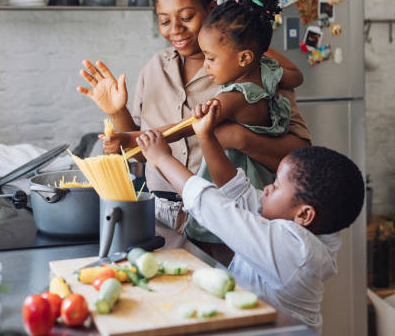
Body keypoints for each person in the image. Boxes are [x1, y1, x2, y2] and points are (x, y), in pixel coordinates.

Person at [77, 0, 311, 257]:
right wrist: (116, 111)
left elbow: (300, 155)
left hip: (227, 224)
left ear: (211, 9)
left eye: (187, 17)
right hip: (159, 222)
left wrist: (238, 138)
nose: (174, 29)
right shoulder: (155, 68)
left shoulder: (250, 69)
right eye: (164, 20)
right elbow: (140, 151)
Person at [136, 103, 365, 334]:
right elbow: (238, 192)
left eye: (276, 186)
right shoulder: (296, 226)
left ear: (304, 214)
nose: (266, 189)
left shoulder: (297, 251)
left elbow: (218, 211)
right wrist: (205, 136)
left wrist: (163, 159)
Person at [184, 0, 303, 244]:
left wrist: (145, 139)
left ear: (244, 57)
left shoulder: (237, 96)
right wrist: (256, 46)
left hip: (235, 205)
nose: (206, 65)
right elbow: (297, 75)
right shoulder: (266, 73)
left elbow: (187, 126)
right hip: (261, 199)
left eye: (211, 58)